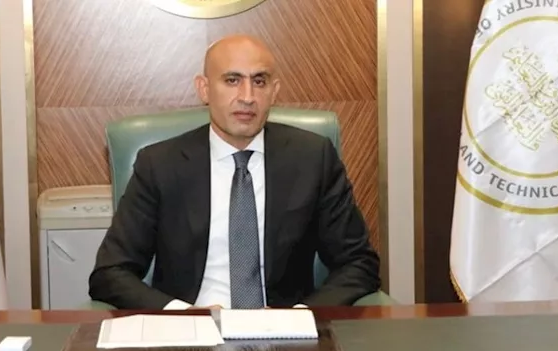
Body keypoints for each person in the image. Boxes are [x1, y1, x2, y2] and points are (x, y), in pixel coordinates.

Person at [89, 34, 380, 309]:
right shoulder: (160, 164)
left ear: (274, 91)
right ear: (204, 88)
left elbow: (359, 263)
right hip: (190, 329)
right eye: (232, 80)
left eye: (259, 81)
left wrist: (301, 314)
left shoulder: (312, 158)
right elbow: (110, 273)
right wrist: (181, 314)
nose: (247, 97)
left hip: (285, 331)